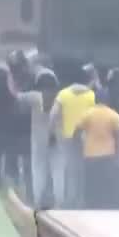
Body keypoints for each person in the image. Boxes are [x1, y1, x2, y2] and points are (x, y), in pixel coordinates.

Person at [50, 78, 97, 207]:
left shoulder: (63, 94)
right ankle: (81, 200)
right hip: (86, 137)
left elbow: (53, 114)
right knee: (82, 169)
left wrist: (52, 131)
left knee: (71, 169)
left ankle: (70, 199)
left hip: (67, 137)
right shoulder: (91, 95)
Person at [19, 68, 59, 208]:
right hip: (55, 139)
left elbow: (16, 96)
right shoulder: (60, 97)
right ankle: (57, 200)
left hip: (38, 140)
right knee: (56, 170)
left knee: (38, 170)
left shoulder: (34, 96)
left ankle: (38, 200)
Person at [75, 99, 119, 207]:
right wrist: (118, 152)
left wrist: (79, 146)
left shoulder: (87, 113)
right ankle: (106, 204)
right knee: (106, 181)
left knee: (91, 182)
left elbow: (77, 130)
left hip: (90, 154)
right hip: (108, 155)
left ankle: (91, 204)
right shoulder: (114, 115)